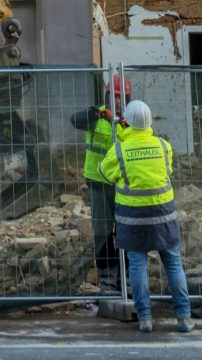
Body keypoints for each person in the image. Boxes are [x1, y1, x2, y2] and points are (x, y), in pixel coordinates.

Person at [98, 99, 194, 334]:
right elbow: (167, 171)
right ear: (150, 122)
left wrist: (121, 139)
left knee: (138, 267)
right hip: (164, 214)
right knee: (173, 264)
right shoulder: (163, 145)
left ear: (126, 122)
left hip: (132, 218)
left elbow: (103, 173)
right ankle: (183, 317)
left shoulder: (119, 149)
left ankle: (145, 319)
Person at [70, 73, 131, 293]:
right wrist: (94, 114)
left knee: (125, 232)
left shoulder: (130, 120)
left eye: (121, 97)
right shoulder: (95, 115)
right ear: (106, 95)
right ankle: (107, 282)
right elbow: (75, 121)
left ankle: (127, 281)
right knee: (102, 232)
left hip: (123, 186)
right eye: (114, 96)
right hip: (98, 183)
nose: (117, 101)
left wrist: (121, 121)